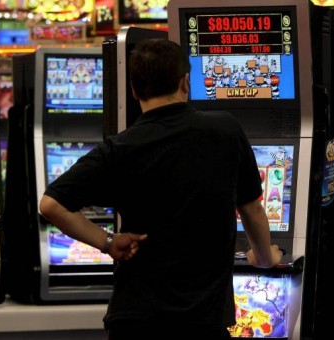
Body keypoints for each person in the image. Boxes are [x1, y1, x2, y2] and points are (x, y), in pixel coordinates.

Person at [39, 38, 283, 339]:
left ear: (134, 89)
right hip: (202, 319)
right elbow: (252, 208)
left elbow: (51, 205)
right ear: (185, 82)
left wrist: (107, 241)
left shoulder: (120, 147)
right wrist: (263, 256)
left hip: (135, 318)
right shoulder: (225, 130)